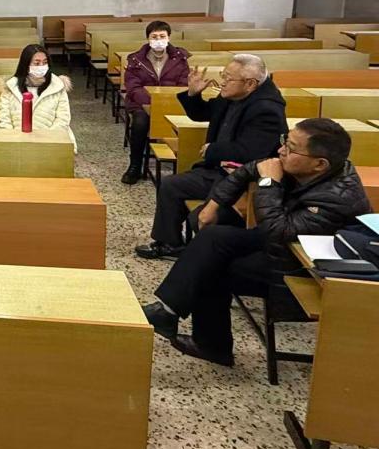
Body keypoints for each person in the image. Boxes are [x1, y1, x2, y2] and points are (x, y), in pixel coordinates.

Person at [142, 119, 370, 366]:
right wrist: (213, 205)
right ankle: (169, 311)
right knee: (212, 238)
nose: (281, 150)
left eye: (291, 148)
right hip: (284, 245)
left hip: (306, 270)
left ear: (319, 164)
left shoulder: (339, 197)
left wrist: (269, 182)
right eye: (285, 142)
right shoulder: (304, 168)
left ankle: (209, 344)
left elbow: (277, 230)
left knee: (212, 266)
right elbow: (247, 170)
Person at [135, 54, 287, 260]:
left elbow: (251, 153)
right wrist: (193, 94)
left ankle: (209, 256)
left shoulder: (267, 110)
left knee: (199, 217)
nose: (222, 82)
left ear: (250, 83)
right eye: (223, 75)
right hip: (218, 170)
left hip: (242, 179)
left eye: (228, 78)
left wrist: (212, 149)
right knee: (171, 185)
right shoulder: (234, 95)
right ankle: (169, 243)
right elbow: (203, 113)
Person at [121, 21, 191, 185]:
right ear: (148, 39)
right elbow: (133, 87)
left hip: (173, 103)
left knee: (192, 120)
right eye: (154, 37)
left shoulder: (180, 59)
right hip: (143, 103)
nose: (158, 40)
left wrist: (166, 102)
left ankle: (187, 165)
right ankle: (135, 165)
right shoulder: (136, 60)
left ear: (168, 38)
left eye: (162, 36)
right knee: (140, 122)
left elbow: (183, 84)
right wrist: (154, 103)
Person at [0, 44, 76, 150]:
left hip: (50, 143)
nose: (41, 66)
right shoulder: (10, 87)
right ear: (26, 64)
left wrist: (45, 142)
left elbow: (63, 120)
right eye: (37, 63)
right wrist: (15, 141)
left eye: (45, 62)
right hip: (15, 143)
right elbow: (4, 120)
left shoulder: (58, 86)